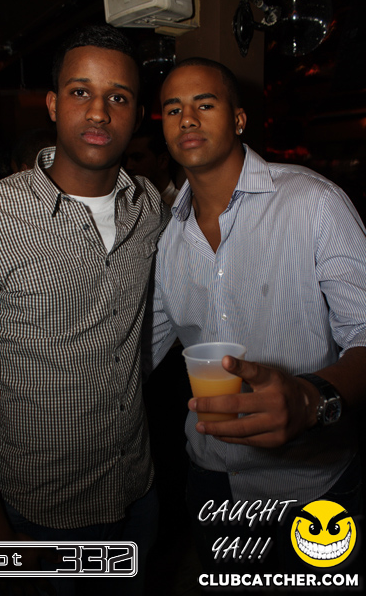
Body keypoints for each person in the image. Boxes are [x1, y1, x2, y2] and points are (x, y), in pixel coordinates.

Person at [145, 57, 366, 582]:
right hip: (214, 481)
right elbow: (132, 355)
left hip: (314, 486)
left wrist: (311, 398)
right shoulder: (165, 238)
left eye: (205, 104)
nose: (187, 118)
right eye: (173, 109)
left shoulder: (312, 203)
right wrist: (16, 384)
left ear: (239, 119)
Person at [0, 24, 168, 596]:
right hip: (38, 514)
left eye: (118, 97)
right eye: (81, 92)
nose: (99, 112)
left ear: (137, 115)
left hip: (137, 493)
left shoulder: (149, 208)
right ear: (53, 104)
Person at [124, 119, 180, 206]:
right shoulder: (126, 203)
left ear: (163, 161)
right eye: (125, 159)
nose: (128, 166)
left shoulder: (185, 205)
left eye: (137, 158)